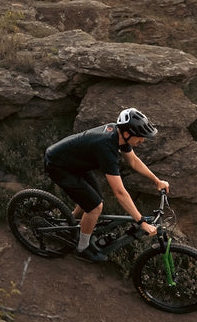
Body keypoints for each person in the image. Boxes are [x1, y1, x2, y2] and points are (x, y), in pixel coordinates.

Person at [43, 107, 170, 261]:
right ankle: (82, 248)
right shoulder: (106, 146)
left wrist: (156, 180)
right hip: (59, 166)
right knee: (95, 207)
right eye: (140, 136)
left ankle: (70, 223)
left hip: (74, 163)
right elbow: (120, 193)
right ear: (127, 134)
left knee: (93, 198)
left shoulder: (120, 135)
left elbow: (133, 161)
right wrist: (141, 221)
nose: (142, 140)